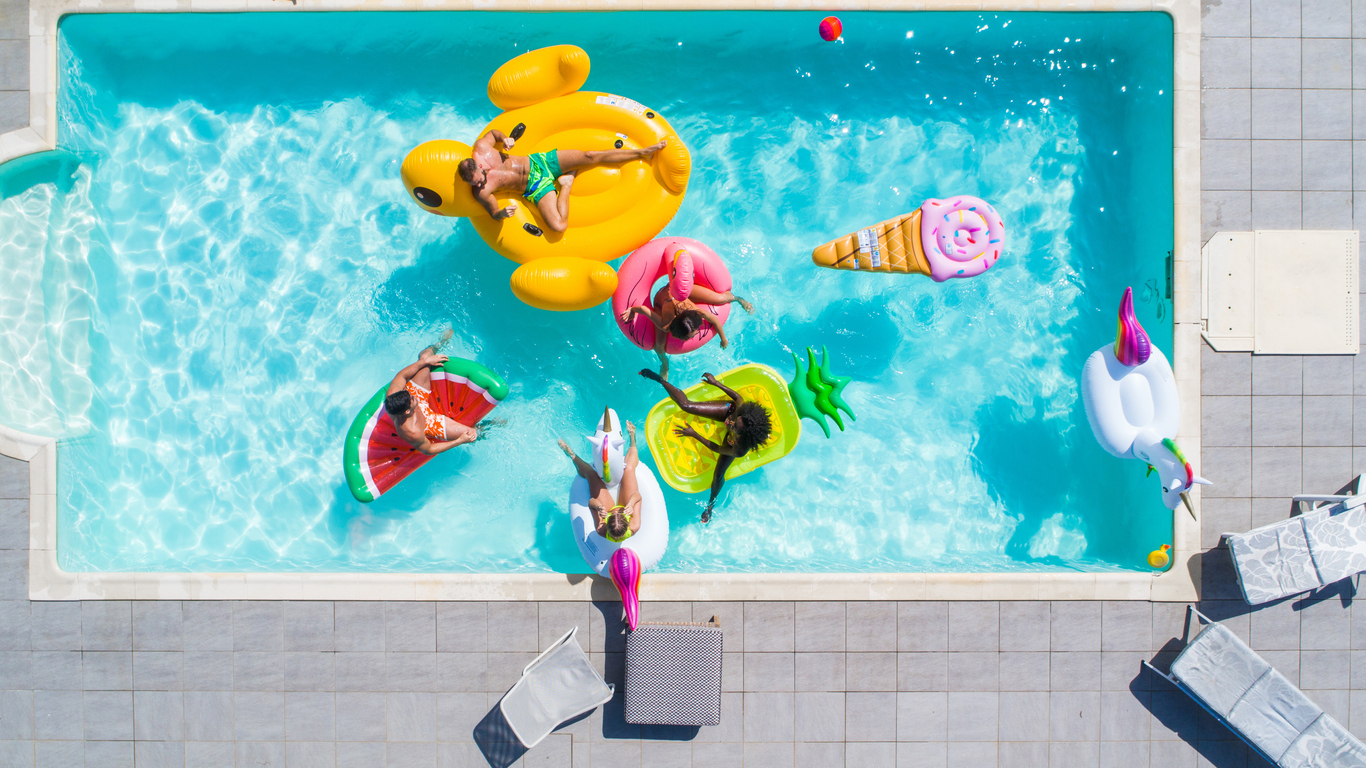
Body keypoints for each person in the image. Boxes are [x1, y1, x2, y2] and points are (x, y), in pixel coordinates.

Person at [456, 130, 667, 233]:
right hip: (534, 187)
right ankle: (567, 184)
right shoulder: (481, 192)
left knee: (590, 155)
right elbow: (494, 214)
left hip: (539, 162)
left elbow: (494, 133)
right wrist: (502, 213)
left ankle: (643, 153)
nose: (479, 185)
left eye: (479, 180)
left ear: (480, 166)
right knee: (558, 226)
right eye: (474, 184)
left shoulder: (483, 148)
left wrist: (505, 139)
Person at [638, 369, 773, 523]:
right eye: (737, 419)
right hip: (728, 410)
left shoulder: (739, 448)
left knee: (718, 476)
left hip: (728, 443)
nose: (732, 423)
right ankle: (660, 380)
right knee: (686, 405)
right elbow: (737, 397)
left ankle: (710, 507)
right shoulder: (739, 413)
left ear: (743, 436)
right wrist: (715, 383)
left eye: (735, 426)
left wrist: (694, 434)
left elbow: (716, 448)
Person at [620, 274, 753, 381]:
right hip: (661, 302)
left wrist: (723, 339)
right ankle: (665, 366)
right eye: (691, 336)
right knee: (659, 345)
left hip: (679, 295)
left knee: (721, 299)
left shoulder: (696, 312)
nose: (694, 336)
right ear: (678, 334)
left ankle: (738, 299)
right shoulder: (665, 324)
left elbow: (715, 320)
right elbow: (643, 309)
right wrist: (632, 310)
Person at [384, 345, 479, 456]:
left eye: (409, 394)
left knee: (425, 356)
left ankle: (441, 341)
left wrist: (426, 361)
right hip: (428, 422)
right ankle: (490, 426)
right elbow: (428, 450)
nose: (413, 397)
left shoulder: (393, 395)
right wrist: (459, 441)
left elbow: (402, 376)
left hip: (417, 400)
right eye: (412, 399)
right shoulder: (412, 432)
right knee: (472, 433)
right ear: (407, 411)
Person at [558, 422, 642, 542]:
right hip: (624, 506)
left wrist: (599, 507)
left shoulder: (601, 530)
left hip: (607, 509)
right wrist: (631, 504)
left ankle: (572, 454)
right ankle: (632, 438)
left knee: (591, 474)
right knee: (628, 468)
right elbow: (638, 496)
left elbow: (591, 503)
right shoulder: (634, 526)